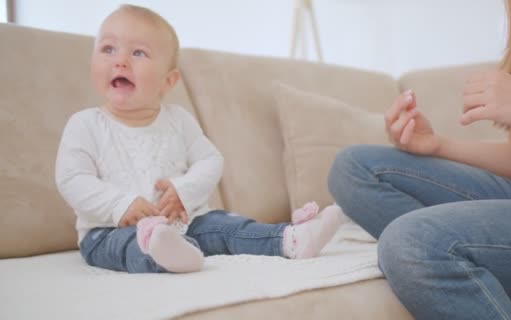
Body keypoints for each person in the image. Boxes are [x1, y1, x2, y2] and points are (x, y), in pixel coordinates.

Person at [327, 0, 511, 319]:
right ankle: (472, 265)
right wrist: (437, 146)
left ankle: (454, 261)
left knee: (412, 241)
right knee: (355, 167)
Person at [55, 4, 347, 274]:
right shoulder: (85, 124)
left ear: (168, 81)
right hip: (107, 230)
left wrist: (183, 191)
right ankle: (172, 255)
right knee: (129, 246)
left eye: (138, 53)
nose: (120, 61)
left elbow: (211, 160)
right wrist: (121, 204)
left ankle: (289, 239)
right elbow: (72, 179)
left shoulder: (178, 120)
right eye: (108, 49)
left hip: (186, 222)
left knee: (226, 226)